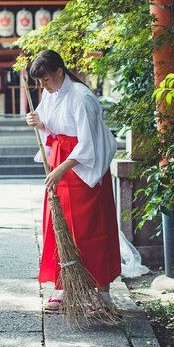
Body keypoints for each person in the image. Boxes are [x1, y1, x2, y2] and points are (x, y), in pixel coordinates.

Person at [25, 50, 120, 311]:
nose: (42, 86)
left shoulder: (83, 97)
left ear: (59, 71)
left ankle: (102, 295)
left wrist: (60, 169)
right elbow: (51, 128)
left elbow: (88, 145)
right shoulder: (51, 93)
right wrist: (37, 123)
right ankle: (64, 286)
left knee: (91, 229)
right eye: (39, 82)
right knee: (59, 227)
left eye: (45, 79)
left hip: (82, 170)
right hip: (60, 162)